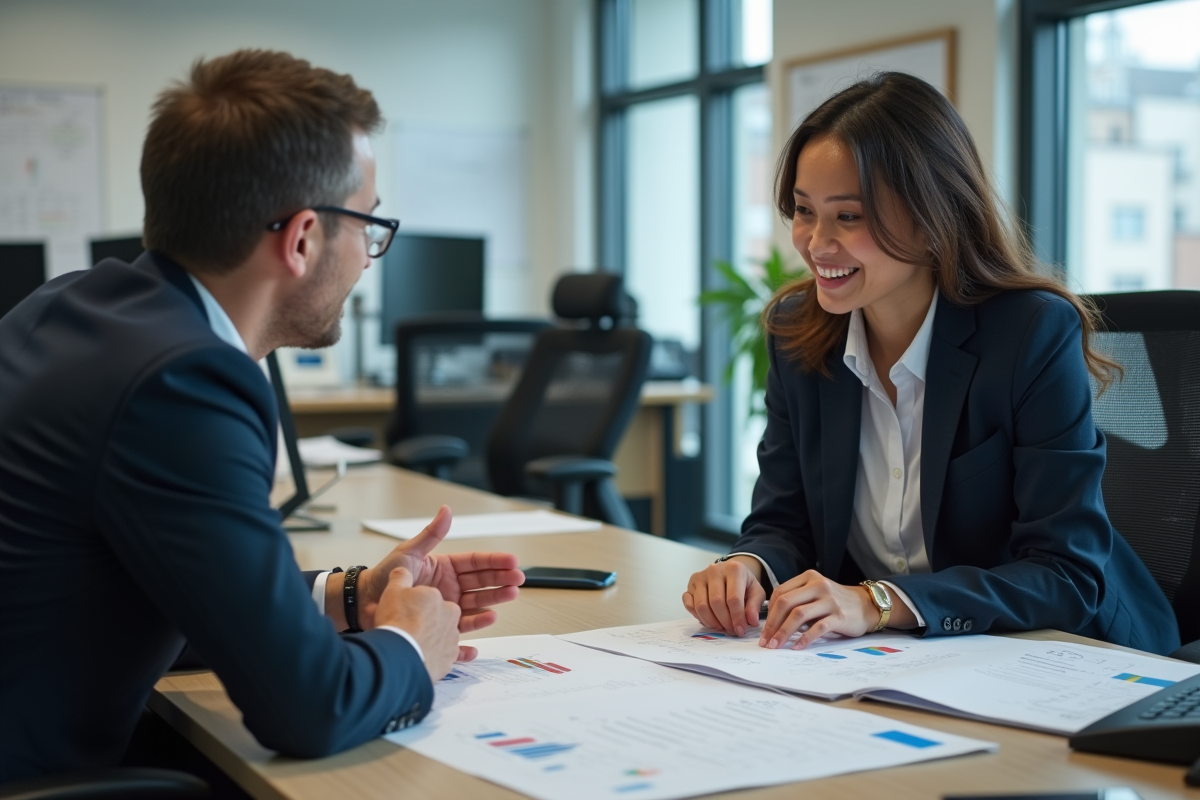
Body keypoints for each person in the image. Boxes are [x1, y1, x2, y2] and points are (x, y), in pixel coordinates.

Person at [0, 49, 525, 782]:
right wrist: (412, 647)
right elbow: (306, 710)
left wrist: (351, 595)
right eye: (369, 226)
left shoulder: (68, 307)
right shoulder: (185, 381)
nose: (370, 256)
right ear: (304, 238)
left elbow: (136, 591)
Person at [682, 72, 1179, 657]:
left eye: (848, 217)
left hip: (1064, 654)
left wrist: (879, 602)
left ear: (931, 215)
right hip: (901, 663)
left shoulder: (1029, 334)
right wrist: (748, 564)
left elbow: (1064, 573)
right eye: (802, 210)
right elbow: (783, 520)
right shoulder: (798, 335)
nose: (815, 243)